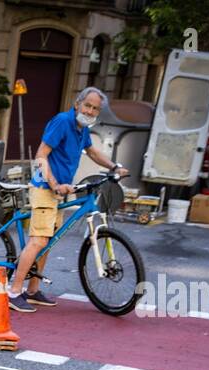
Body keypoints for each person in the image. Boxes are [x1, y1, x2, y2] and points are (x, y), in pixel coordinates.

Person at [9, 87, 128, 313]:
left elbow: (92, 152)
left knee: (49, 241)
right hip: (46, 188)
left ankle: (32, 291)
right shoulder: (63, 122)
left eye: (95, 109)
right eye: (88, 106)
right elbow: (41, 156)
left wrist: (115, 167)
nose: (90, 111)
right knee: (39, 240)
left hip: (60, 191)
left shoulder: (81, 128)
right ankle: (13, 291)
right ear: (77, 104)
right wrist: (54, 184)